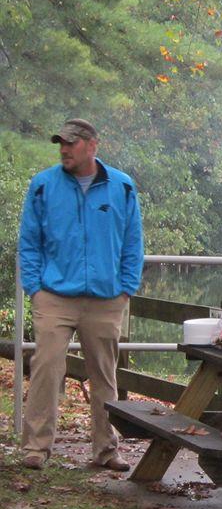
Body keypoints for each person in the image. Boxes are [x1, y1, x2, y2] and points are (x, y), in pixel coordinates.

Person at [18, 119, 144, 472]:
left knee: (105, 375)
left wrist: (125, 288)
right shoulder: (43, 185)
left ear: (92, 145)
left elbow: (133, 243)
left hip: (106, 298)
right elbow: (29, 242)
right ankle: (36, 448)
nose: (64, 149)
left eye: (71, 143)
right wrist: (35, 288)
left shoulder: (122, 187)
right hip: (54, 296)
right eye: (61, 143)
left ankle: (106, 449)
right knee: (45, 366)